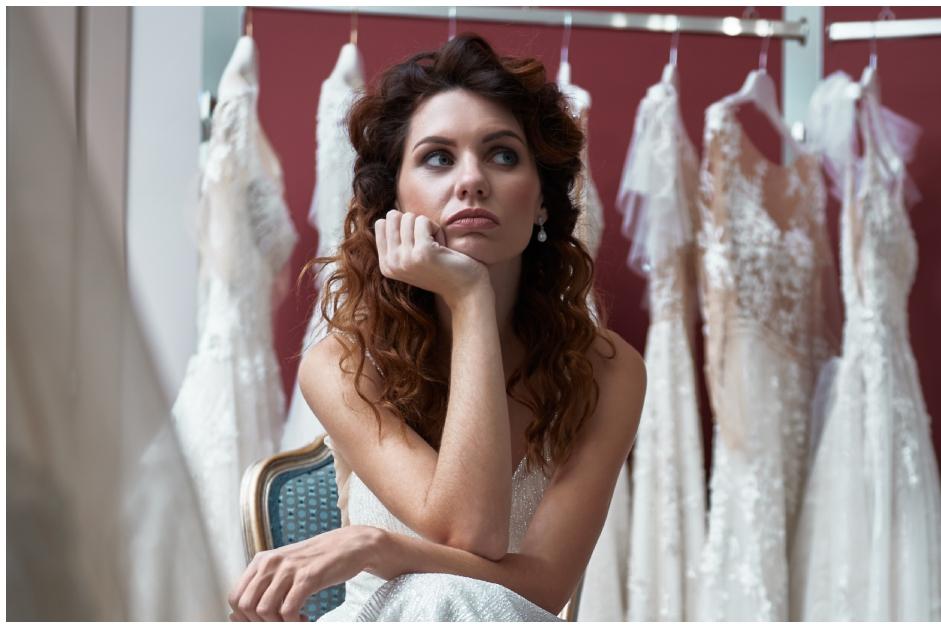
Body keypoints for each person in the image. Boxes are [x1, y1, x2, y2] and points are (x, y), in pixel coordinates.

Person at [227, 33, 646, 622]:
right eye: (438, 158)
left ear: (544, 200)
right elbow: (469, 532)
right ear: (393, 200)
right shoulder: (345, 365)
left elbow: (543, 588)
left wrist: (377, 545)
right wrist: (472, 293)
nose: (471, 180)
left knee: (446, 595)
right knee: (434, 597)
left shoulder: (609, 370)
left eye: (502, 154)